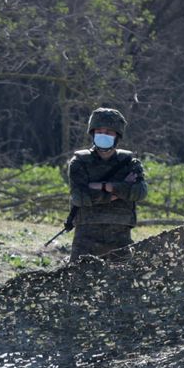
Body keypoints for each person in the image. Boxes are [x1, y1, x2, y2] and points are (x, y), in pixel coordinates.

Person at [66, 107, 148, 259]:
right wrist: (121, 191)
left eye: (109, 132)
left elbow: (140, 192)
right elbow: (80, 197)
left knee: (122, 273)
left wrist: (106, 187)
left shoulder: (130, 163)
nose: (103, 135)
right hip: (86, 236)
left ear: (117, 136)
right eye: (99, 131)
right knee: (78, 273)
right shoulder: (79, 162)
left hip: (120, 235)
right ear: (93, 133)